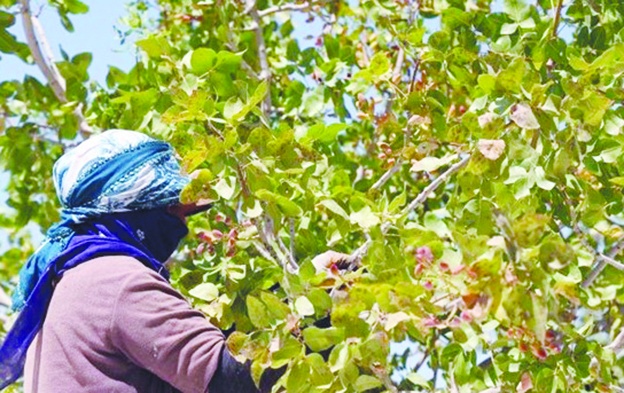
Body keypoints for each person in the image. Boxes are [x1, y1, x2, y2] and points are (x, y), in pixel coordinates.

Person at [0, 129, 289, 392]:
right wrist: (320, 305)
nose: (183, 226)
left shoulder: (67, 280)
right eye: (172, 209)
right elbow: (226, 379)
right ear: (135, 208)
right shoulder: (116, 281)